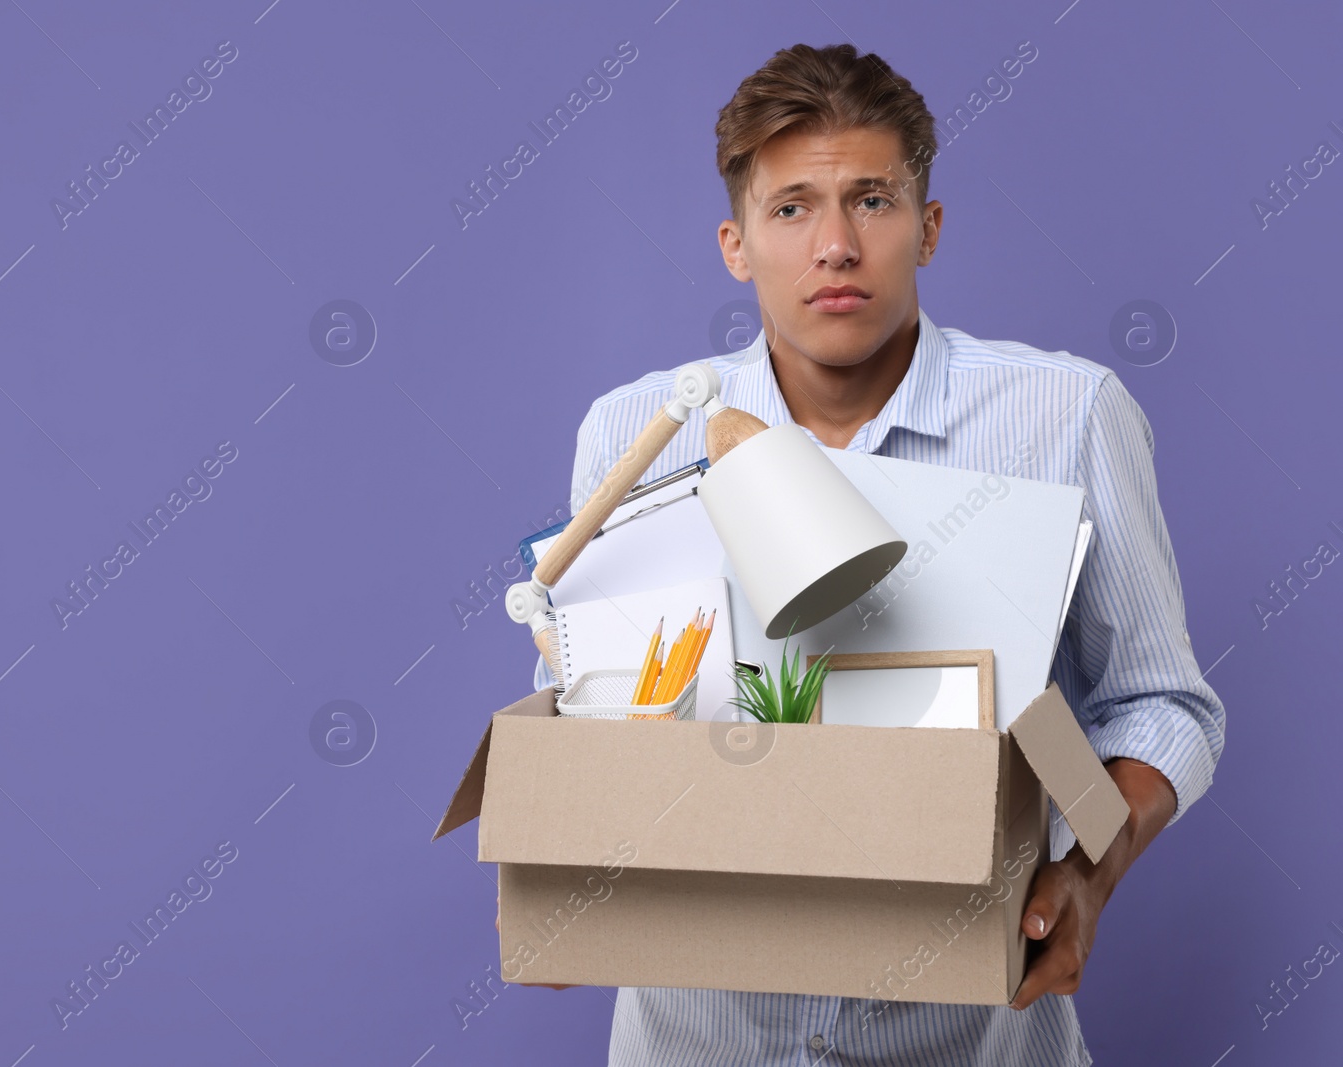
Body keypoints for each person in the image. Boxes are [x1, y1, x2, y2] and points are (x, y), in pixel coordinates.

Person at [515, 42, 1226, 1066]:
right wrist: (563, 872)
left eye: (873, 200)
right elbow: (580, 710)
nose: (835, 245)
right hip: (701, 1035)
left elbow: (1164, 704)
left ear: (928, 228)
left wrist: (1087, 874)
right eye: (791, 207)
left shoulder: (1062, 416)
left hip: (968, 1035)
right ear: (735, 242)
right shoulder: (639, 430)